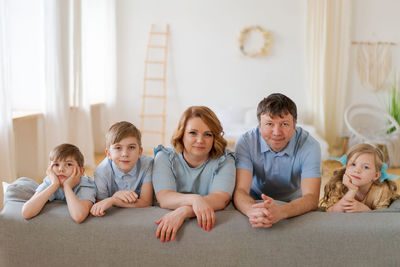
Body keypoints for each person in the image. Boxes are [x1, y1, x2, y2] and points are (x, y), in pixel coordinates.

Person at [234, 93, 321, 228]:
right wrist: (252, 210)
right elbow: (240, 190)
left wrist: (281, 211)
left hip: (294, 203)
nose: (276, 132)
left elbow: (311, 197)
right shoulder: (245, 142)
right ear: (259, 125)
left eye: (284, 124)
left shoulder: (310, 145)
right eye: (269, 124)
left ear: (294, 125)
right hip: (255, 200)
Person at [153, 106, 236, 242]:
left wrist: (184, 211)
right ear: (182, 134)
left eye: (208, 134)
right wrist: (195, 199)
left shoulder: (225, 160)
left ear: (215, 137)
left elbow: (221, 198)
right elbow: (164, 197)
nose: (200, 140)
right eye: (193, 133)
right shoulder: (164, 156)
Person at [90, 121, 153, 217]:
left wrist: (114, 199)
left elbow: (146, 202)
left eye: (131, 147)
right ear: (108, 154)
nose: (125, 154)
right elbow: (100, 204)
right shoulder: (101, 172)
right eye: (118, 148)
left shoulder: (148, 164)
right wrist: (113, 198)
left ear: (140, 152)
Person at [22, 143, 96, 223]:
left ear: (81, 171)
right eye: (56, 164)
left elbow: (78, 216)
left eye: (68, 164)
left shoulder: (86, 185)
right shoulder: (52, 181)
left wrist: (67, 187)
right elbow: (26, 213)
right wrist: (54, 185)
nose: (61, 169)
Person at [319, 143, 399, 212]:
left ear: (376, 175)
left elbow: (382, 219)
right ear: (346, 167)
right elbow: (332, 211)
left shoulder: (380, 191)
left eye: (365, 167)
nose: (357, 170)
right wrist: (352, 190)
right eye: (353, 164)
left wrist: (365, 209)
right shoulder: (339, 186)